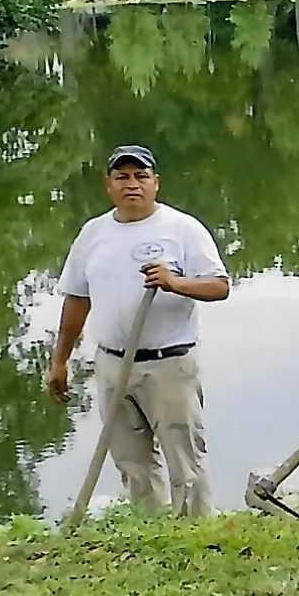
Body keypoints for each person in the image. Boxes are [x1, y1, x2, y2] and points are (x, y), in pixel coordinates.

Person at [47, 144, 231, 516]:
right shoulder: (92, 234)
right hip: (114, 365)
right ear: (109, 186)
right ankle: (153, 534)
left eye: (141, 176)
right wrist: (60, 360)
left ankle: (198, 539)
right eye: (123, 177)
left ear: (156, 183)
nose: (133, 184)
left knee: (186, 461)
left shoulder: (182, 228)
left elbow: (219, 286)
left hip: (170, 365)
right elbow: (76, 301)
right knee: (131, 462)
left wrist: (174, 282)